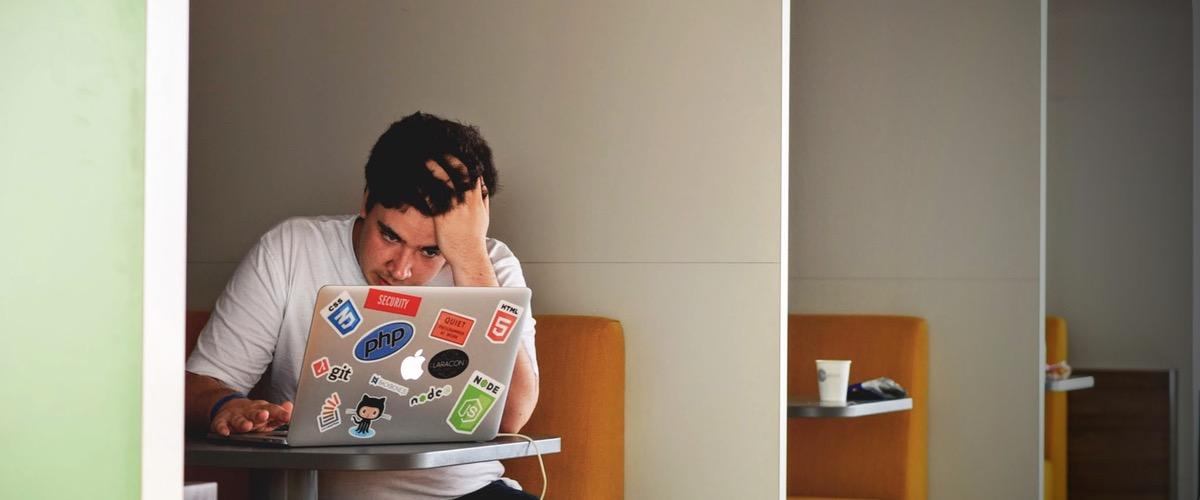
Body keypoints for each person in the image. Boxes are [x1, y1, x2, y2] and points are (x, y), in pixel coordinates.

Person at [184, 112, 540, 499]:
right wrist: (227, 405)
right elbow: (196, 386)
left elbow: (513, 416)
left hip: (468, 493)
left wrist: (469, 256)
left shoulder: (490, 266)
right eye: (390, 235)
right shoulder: (292, 249)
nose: (402, 270)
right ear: (367, 200)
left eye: (430, 251)